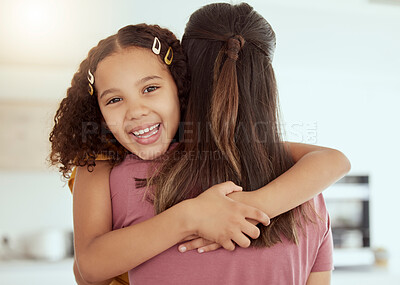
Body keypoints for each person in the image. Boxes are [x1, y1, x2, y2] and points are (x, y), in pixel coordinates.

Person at [49, 8, 350, 285]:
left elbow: (86, 271)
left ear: (182, 84)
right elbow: (88, 267)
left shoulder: (124, 179)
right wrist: (194, 216)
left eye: (150, 88)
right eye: (115, 99)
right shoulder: (306, 193)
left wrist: (240, 209)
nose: (136, 110)